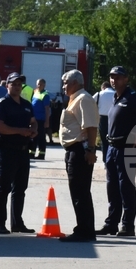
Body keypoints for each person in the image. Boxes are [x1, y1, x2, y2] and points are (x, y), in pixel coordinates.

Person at [98, 66, 136, 237]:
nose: (114, 80)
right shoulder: (116, 97)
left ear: (126, 79)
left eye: (118, 77)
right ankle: (111, 224)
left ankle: (128, 225)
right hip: (112, 147)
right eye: (111, 77)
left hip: (127, 148)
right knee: (112, 186)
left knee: (126, 187)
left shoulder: (132, 97)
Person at [57, 70, 99, 243]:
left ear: (75, 82)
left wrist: (91, 150)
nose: (63, 86)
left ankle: (84, 230)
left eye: (65, 82)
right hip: (74, 150)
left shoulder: (83, 99)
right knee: (79, 191)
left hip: (80, 150)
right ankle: (85, 228)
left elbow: (91, 127)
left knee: (80, 192)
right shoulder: (75, 98)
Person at [0, 72, 38, 235]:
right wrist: (20, 131)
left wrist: (33, 131)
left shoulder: (26, 104)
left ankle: (17, 223)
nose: (17, 87)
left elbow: (33, 122)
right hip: (7, 150)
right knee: (4, 188)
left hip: (23, 152)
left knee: (20, 189)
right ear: (7, 86)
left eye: (19, 84)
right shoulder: (2, 104)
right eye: (14, 84)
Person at [93, 81, 115, 162]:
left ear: (103, 87)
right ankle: (113, 159)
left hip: (102, 119)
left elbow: (90, 102)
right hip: (114, 118)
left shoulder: (99, 94)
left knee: (104, 140)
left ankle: (106, 160)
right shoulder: (116, 94)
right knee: (113, 140)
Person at [30, 78, 51, 160]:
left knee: (41, 138)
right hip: (34, 119)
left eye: (41, 84)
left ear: (44, 85)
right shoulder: (35, 92)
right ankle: (32, 153)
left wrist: (47, 121)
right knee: (33, 137)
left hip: (41, 120)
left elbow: (47, 109)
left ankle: (41, 154)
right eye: (38, 84)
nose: (39, 86)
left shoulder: (45, 95)